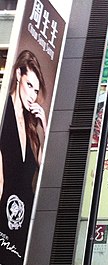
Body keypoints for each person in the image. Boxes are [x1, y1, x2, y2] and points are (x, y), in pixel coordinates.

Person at [0, 50, 47, 229]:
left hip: (22, 216)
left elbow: (42, 163)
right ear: (19, 75)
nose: (32, 95)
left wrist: (45, 124)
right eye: (29, 85)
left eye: (36, 90)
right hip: (4, 213)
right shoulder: (4, 112)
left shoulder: (30, 126)